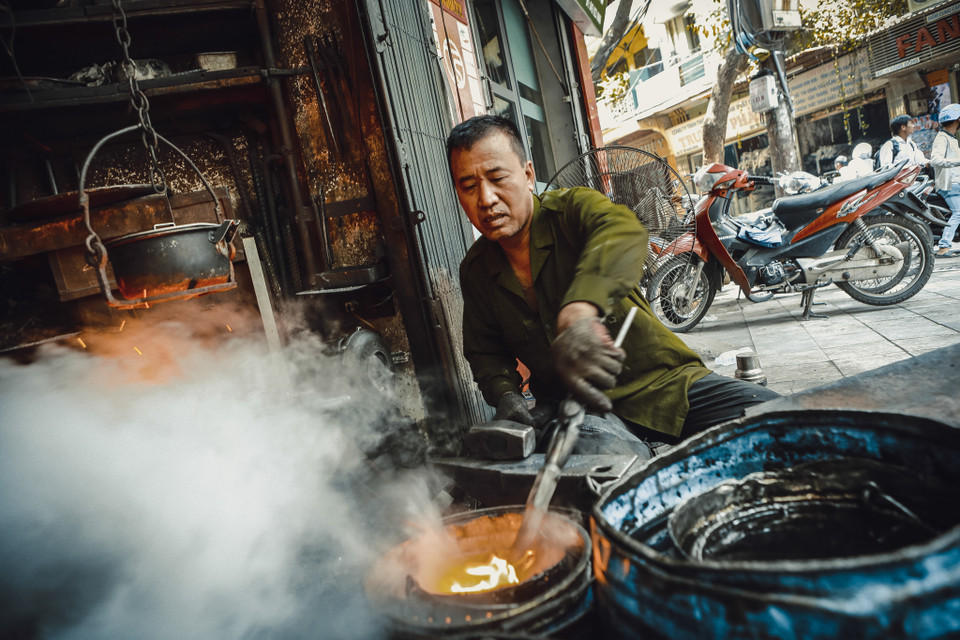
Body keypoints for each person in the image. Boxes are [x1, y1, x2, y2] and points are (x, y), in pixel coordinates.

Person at [447, 115, 781, 456]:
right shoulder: (475, 271)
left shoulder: (574, 210)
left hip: (661, 383)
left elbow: (623, 232)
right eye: (469, 186)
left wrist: (579, 311)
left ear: (528, 174)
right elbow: (485, 350)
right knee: (610, 479)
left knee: (783, 422)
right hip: (576, 408)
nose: (486, 199)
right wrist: (506, 394)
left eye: (497, 178)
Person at [930, 103, 960, 258]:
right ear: (957, 120)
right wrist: (957, 161)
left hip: (956, 183)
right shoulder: (942, 138)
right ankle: (944, 246)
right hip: (949, 185)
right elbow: (935, 159)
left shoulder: (951, 139)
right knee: (959, 212)